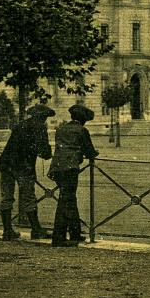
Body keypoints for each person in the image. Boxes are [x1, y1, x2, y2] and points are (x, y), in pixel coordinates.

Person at [0, 104, 55, 240]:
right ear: (42, 117)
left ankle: (7, 231)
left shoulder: (20, 125)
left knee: (7, 197)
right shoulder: (40, 128)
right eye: (45, 117)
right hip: (23, 167)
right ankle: (36, 229)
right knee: (29, 197)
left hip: (6, 164)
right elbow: (45, 153)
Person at [48, 105, 99, 247]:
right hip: (70, 168)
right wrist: (93, 154)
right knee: (65, 200)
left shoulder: (61, 129)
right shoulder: (82, 131)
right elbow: (90, 152)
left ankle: (75, 233)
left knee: (69, 198)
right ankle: (58, 238)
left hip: (57, 168)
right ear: (83, 120)